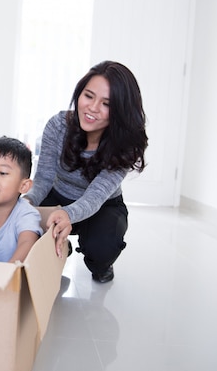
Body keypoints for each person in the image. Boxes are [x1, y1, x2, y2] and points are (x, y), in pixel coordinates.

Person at [24, 61, 148, 282]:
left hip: (102, 205)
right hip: (58, 193)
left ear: (120, 110)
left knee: (101, 249)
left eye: (106, 103)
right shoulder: (58, 125)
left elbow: (95, 196)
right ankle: (62, 247)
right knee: (25, 222)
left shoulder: (124, 145)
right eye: (88, 96)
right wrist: (29, 201)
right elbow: (43, 179)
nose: (92, 108)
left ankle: (101, 264)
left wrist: (68, 214)